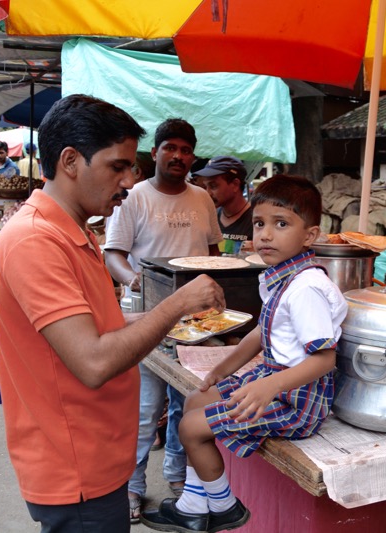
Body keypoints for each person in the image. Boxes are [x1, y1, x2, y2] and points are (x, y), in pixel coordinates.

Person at [0, 94, 225, 533]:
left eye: (130, 167)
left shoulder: (74, 231)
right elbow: (94, 361)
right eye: (117, 166)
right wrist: (176, 302)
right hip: (75, 466)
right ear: (71, 161)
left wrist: (170, 320)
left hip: (96, 456)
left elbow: (99, 329)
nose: (128, 181)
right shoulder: (35, 241)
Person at [141, 175, 348, 533]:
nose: (266, 234)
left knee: (191, 426)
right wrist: (224, 367)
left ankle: (224, 508)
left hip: (296, 399)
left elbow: (324, 359)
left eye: (281, 224)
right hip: (275, 381)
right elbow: (259, 331)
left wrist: (270, 387)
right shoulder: (281, 277)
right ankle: (193, 503)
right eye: (260, 223)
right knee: (195, 400)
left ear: (309, 236)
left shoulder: (307, 289)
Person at [104, 118, 223, 522]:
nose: (178, 156)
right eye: (170, 147)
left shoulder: (202, 199)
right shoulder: (134, 197)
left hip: (196, 324)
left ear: (193, 157)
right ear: (154, 153)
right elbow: (113, 254)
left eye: (185, 150)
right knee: (142, 408)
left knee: (184, 405)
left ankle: (175, 476)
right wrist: (137, 279)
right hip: (144, 319)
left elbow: (213, 254)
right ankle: (132, 488)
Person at [193, 156, 253, 255]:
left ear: (235, 184)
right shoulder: (209, 217)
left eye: (213, 186)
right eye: (205, 186)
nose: (208, 193)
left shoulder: (256, 220)